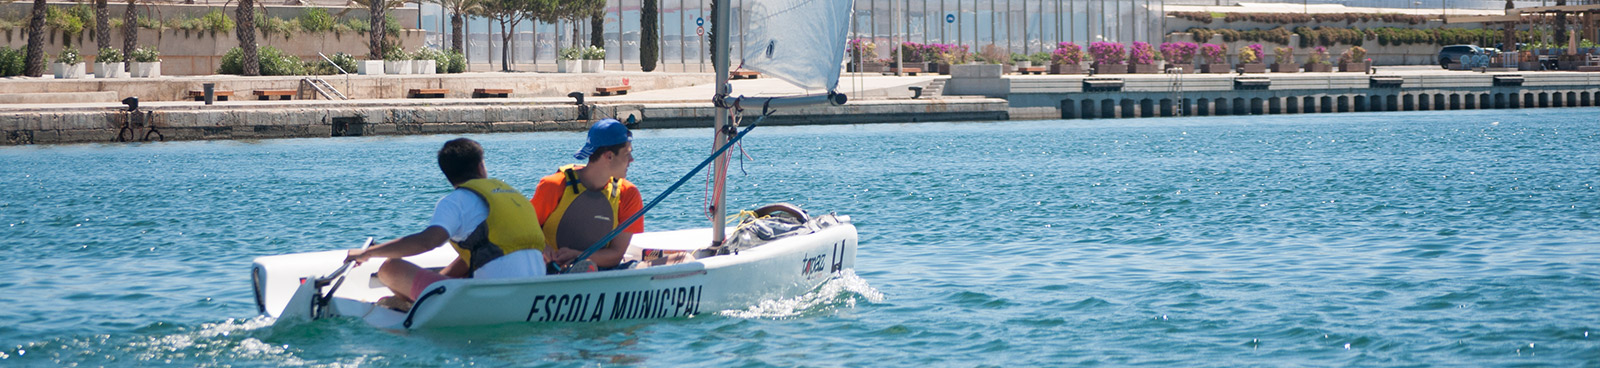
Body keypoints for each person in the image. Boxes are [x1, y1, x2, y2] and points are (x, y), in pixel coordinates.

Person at [346, 138, 547, 309]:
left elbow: (427, 242)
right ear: (480, 167)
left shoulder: (456, 201)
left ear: (447, 175)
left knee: (391, 268)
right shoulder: (514, 196)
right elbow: (489, 252)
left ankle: (412, 307)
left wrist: (368, 253)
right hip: (532, 295)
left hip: (488, 302)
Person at [532, 118, 644, 270]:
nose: (632, 160)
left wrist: (578, 256)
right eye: (627, 154)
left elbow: (616, 254)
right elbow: (526, 231)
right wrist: (542, 247)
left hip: (602, 272)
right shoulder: (553, 185)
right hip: (553, 272)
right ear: (609, 156)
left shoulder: (629, 194)